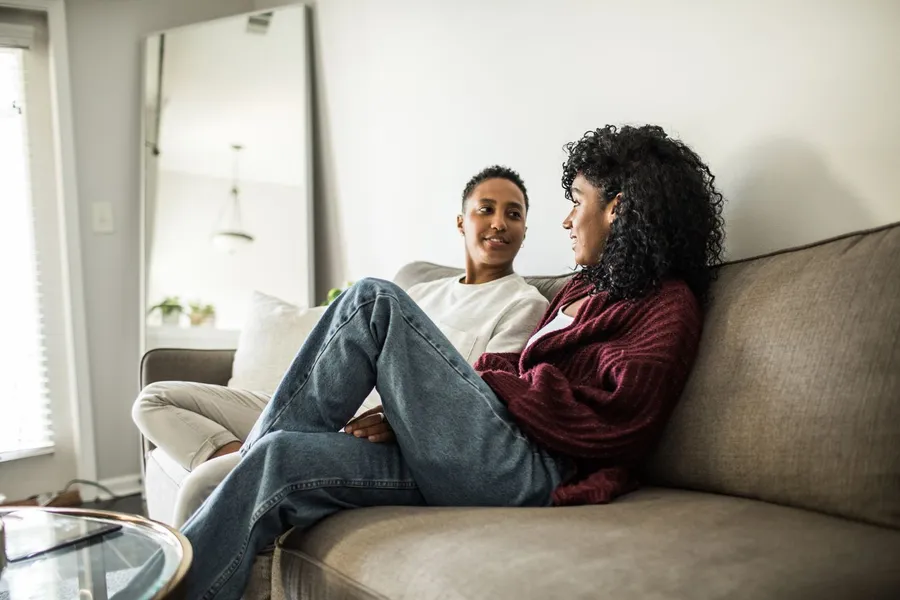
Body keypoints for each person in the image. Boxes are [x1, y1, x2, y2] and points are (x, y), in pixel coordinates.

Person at [128, 124, 726, 600]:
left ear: (618, 209)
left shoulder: (665, 306)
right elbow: (509, 376)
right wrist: (434, 407)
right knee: (281, 460)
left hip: (531, 471)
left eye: (577, 203)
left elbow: (616, 421)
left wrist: (490, 385)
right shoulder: (581, 289)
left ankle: (241, 460)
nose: (567, 220)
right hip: (484, 451)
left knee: (372, 299)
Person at [132, 165, 549, 526]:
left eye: (514, 214)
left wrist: (403, 415)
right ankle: (249, 456)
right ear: (461, 222)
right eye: (486, 209)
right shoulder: (422, 292)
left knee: (200, 486)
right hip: (329, 401)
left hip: (375, 432)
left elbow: (480, 399)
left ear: (525, 231)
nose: (499, 222)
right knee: (154, 399)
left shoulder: (524, 303)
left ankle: (249, 465)